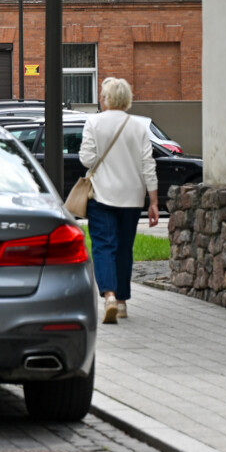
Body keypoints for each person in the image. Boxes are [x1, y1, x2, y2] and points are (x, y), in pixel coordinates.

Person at [78, 76, 159, 324]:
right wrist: (154, 201)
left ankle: (110, 296)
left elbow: (86, 160)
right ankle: (122, 303)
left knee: (104, 246)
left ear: (106, 99)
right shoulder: (139, 126)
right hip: (132, 198)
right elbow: (148, 164)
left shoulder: (93, 122)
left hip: (102, 196)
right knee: (124, 248)